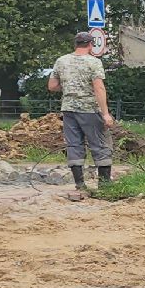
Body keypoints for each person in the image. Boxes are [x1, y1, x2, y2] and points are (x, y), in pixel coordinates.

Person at [47, 32, 113, 194]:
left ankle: (80, 184)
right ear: (90, 45)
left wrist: (70, 87)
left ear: (75, 44)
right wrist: (105, 114)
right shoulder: (94, 63)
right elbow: (98, 87)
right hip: (89, 109)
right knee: (100, 144)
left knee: (74, 144)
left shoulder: (61, 61)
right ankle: (104, 185)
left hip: (68, 109)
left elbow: (52, 86)